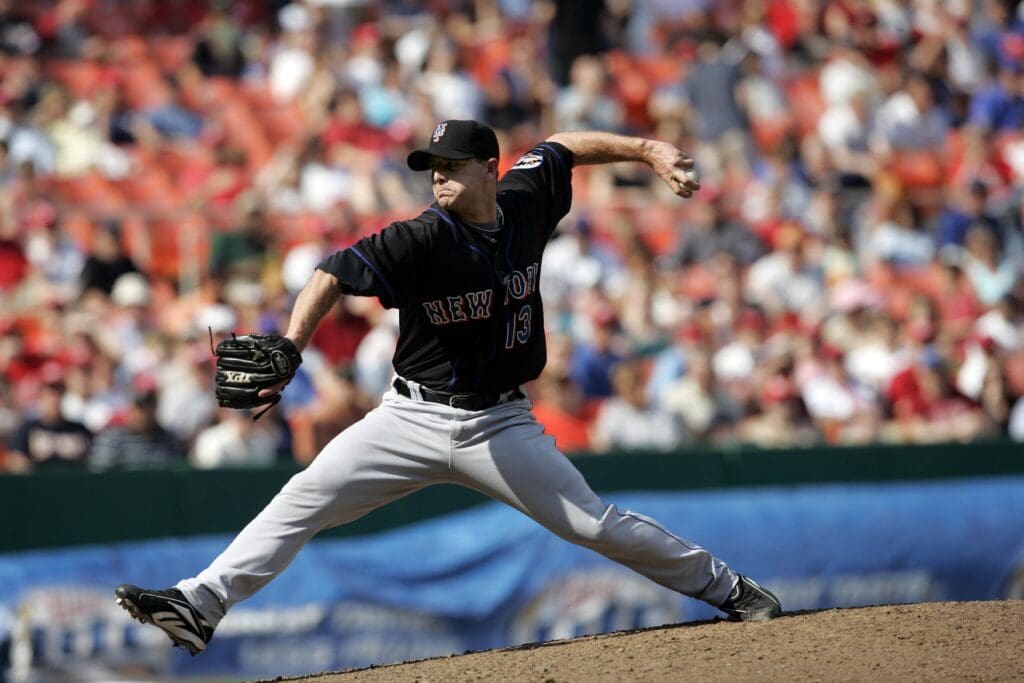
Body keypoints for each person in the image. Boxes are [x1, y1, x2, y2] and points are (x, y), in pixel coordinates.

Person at [114, 120, 781, 656]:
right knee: (304, 496)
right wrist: (291, 343)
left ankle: (731, 588)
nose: (437, 175)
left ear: (489, 170)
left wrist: (647, 148)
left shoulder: (524, 202)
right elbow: (332, 271)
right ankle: (199, 602)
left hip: (500, 425)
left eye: (451, 165)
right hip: (409, 417)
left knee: (593, 524)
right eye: (430, 166)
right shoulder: (423, 237)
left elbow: (563, 146)